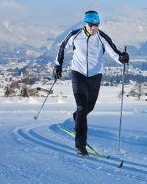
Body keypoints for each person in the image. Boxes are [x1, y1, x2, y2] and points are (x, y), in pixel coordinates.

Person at [54, 10, 129, 158]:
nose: (94, 28)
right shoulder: (75, 35)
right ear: (85, 24)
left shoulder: (102, 38)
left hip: (95, 76)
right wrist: (58, 65)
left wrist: (123, 58)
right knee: (82, 107)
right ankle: (80, 145)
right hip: (78, 74)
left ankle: (77, 117)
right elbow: (62, 47)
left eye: (96, 25)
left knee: (89, 107)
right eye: (91, 25)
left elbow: (115, 53)